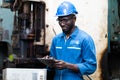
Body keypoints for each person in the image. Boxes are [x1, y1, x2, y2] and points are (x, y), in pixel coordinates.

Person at [43, 1, 97, 80]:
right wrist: (49, 62)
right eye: (60, 20)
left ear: (74, 19)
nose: (62, 24)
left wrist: (67, 65)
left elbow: (91, 66)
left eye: (65, 20)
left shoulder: (85, 39)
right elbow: (52, 65)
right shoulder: (56, 40)